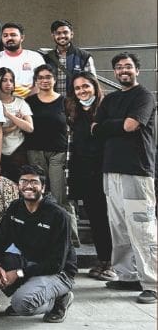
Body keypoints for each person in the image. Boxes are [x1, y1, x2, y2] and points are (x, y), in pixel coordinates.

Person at [0, 165, 76, 322]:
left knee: (22, 304)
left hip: (57, 272)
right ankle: (28, 290)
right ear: (18, 186)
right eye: (24, 181)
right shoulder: (16, 207)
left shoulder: (58, 215)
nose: (28, 185)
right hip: (27, 261)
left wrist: (18, 273)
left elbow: (56, 264)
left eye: (34, 182)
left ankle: (58, 299)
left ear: (43, 188)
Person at [93, 53, 157, 304]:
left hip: (137, 170)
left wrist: (110, 125)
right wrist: (115, 125)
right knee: (118, 226)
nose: (123, 71)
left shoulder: (144, 96)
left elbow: (132, 125)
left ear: (137, 70)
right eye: (118, 67)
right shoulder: (111, 99)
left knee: (142, 228)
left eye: (128, 66)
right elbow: (95, 129)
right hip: (111, 170)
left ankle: (152, 282)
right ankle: (127, 275)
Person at [66, 73, 115, 282]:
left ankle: (113, 263)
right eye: (77, 88)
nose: (82, 91)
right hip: (85, 173)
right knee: (95, 219)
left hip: (105, 171)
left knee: (110, 219)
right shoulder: (76, 112)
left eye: (85, 86)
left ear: (94, 87)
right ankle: (103, 260)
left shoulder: (106, 110)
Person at [24, 64, 79, 245]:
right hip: (35, 152)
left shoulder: (65, 101)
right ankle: (44, 237)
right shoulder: (29, 102)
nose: (44, 81)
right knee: (37, 195)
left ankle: (70, 239)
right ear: (36, 81)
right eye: (40, 78)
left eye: (48, 77)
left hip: (58, 153)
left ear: (54, 80)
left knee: (60, 196)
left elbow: (74, 125)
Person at [0, 67, 33, 182]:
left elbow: (30, 127)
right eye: (4, 80)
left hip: (18, 149)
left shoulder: (20, 102)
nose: (8, 84)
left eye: (11, 80)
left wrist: (9, 115)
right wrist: (15, 126)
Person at [0, 22, 45, 98]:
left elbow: (42, 82)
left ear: (22, 38)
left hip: (31, 103)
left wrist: (27, 103)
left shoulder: (35, 57)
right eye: (5, 35)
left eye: (13, 35)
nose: (9, 38)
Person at [43, 19, 95, 96]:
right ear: (53, 35)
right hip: (53, 103)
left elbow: (92, 83)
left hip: (76, 103)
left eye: (65, 32)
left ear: (72, 34)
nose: (62, 36)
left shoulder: (84, 56)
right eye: (58, 33)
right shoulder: (46, 58)